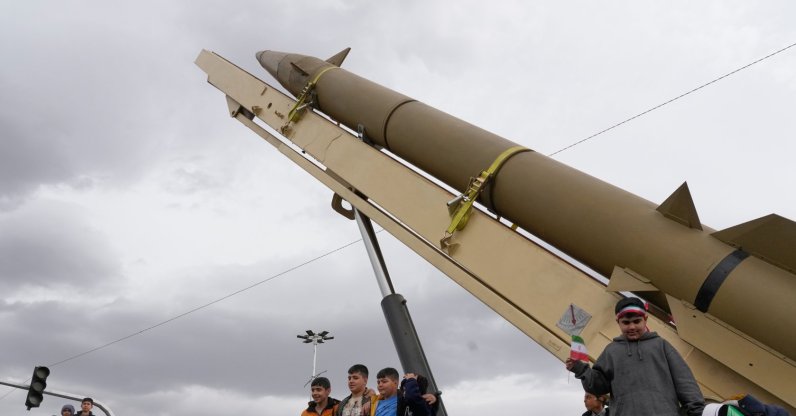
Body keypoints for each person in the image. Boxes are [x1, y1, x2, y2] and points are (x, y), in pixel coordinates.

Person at [565, 297, 705, 416]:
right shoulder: (611, 351)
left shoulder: (661, 346)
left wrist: (697, 411)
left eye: (637, 321)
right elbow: (598, 386)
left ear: (645, 320)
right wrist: (581, 369)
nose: (632, 327)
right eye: (626, 322)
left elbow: (684, 381)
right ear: (618, 322)